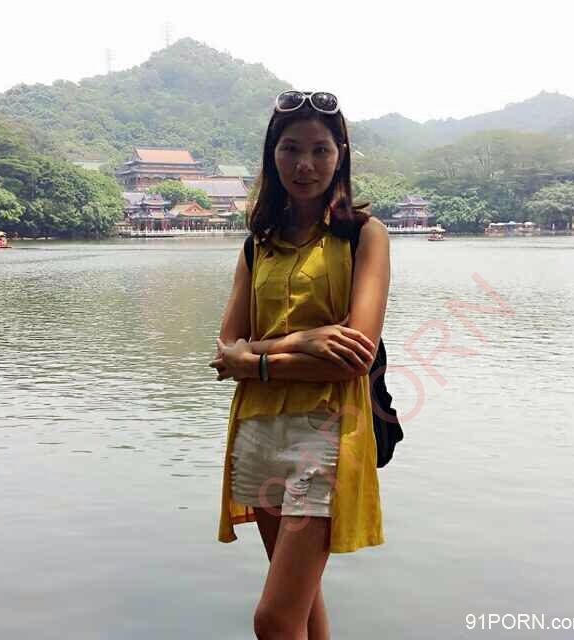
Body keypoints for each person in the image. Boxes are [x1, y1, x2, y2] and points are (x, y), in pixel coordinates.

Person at [209, 90, 391, 639]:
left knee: (273, 618)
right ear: (273, 154)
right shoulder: (257, 244)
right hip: (259, 431)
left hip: (326, 434)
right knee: (303, 607)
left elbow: (353, 358)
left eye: (319, 150)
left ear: (341, 155)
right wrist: (305, 340)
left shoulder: (363, 235)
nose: (304, 164)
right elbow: (225, 351)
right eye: (290, 149)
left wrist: (256, 359)